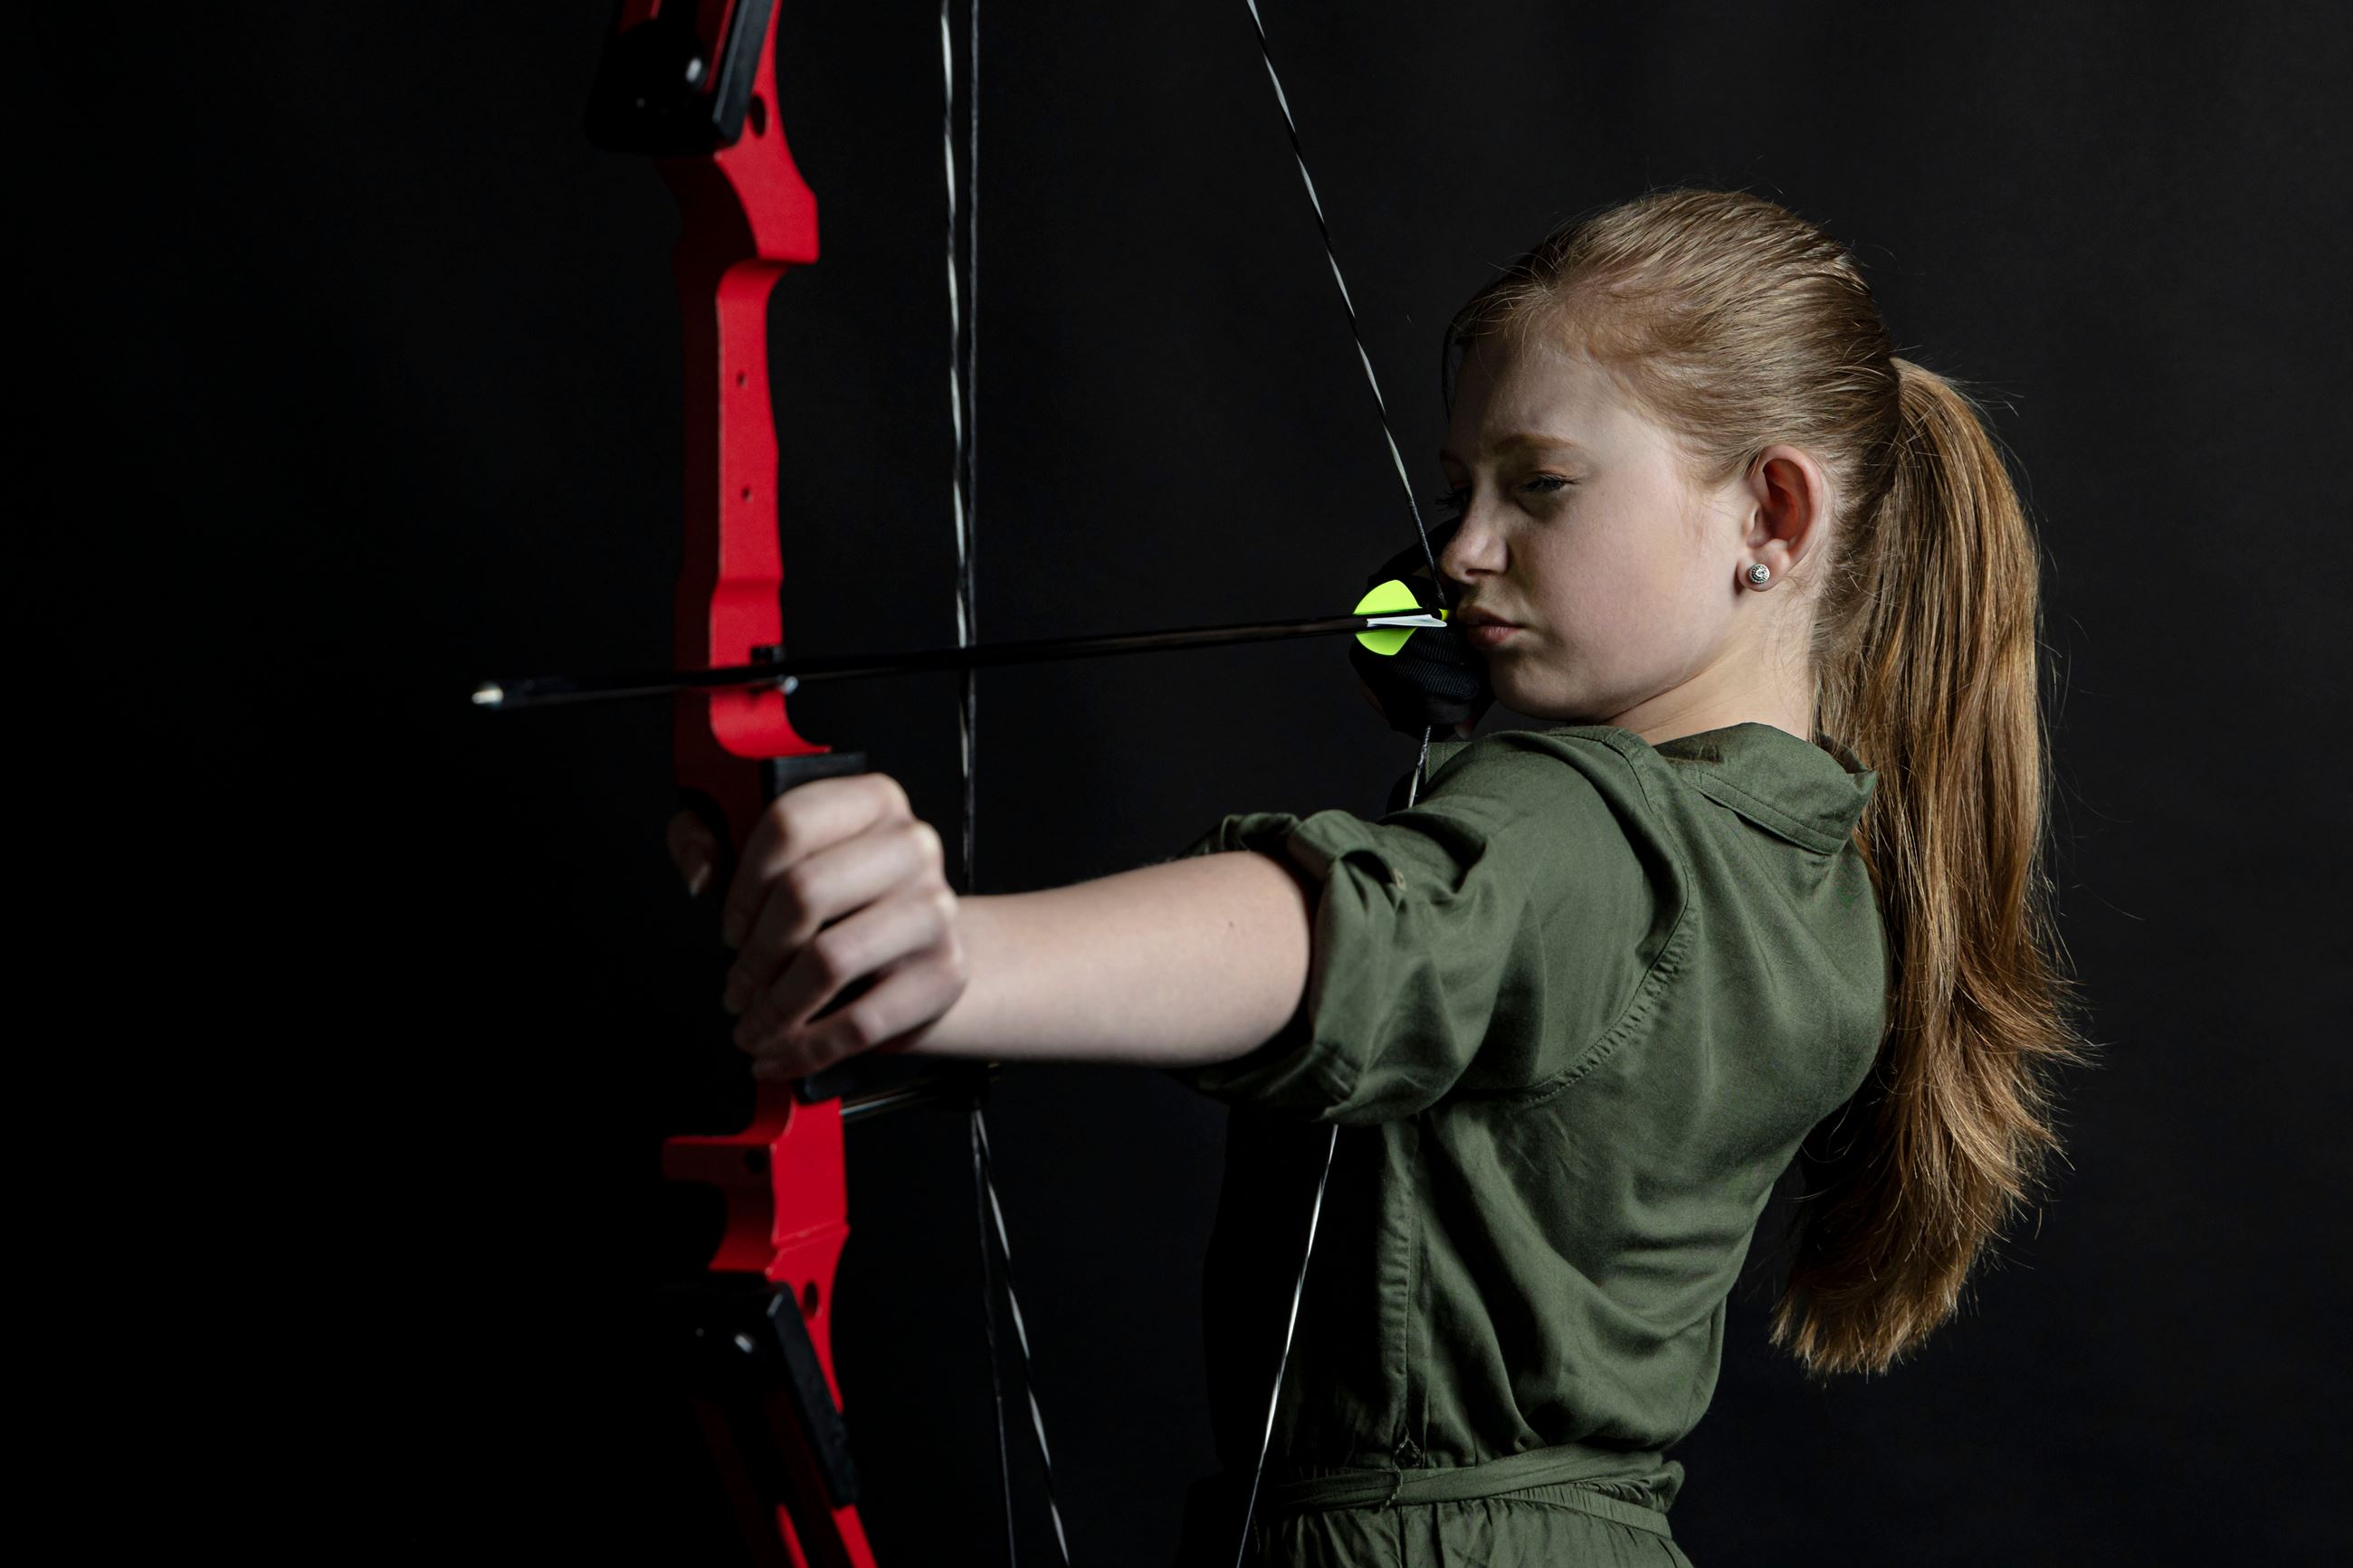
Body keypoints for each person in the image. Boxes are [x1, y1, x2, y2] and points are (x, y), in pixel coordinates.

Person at [671, 187, 2087, 1567]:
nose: (1464, 552)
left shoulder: (1572, 827)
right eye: (1454, 493)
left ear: (1772, 514)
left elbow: (1372, 933)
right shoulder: (1817, 883)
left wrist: (956, 956)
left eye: (1539, 486)